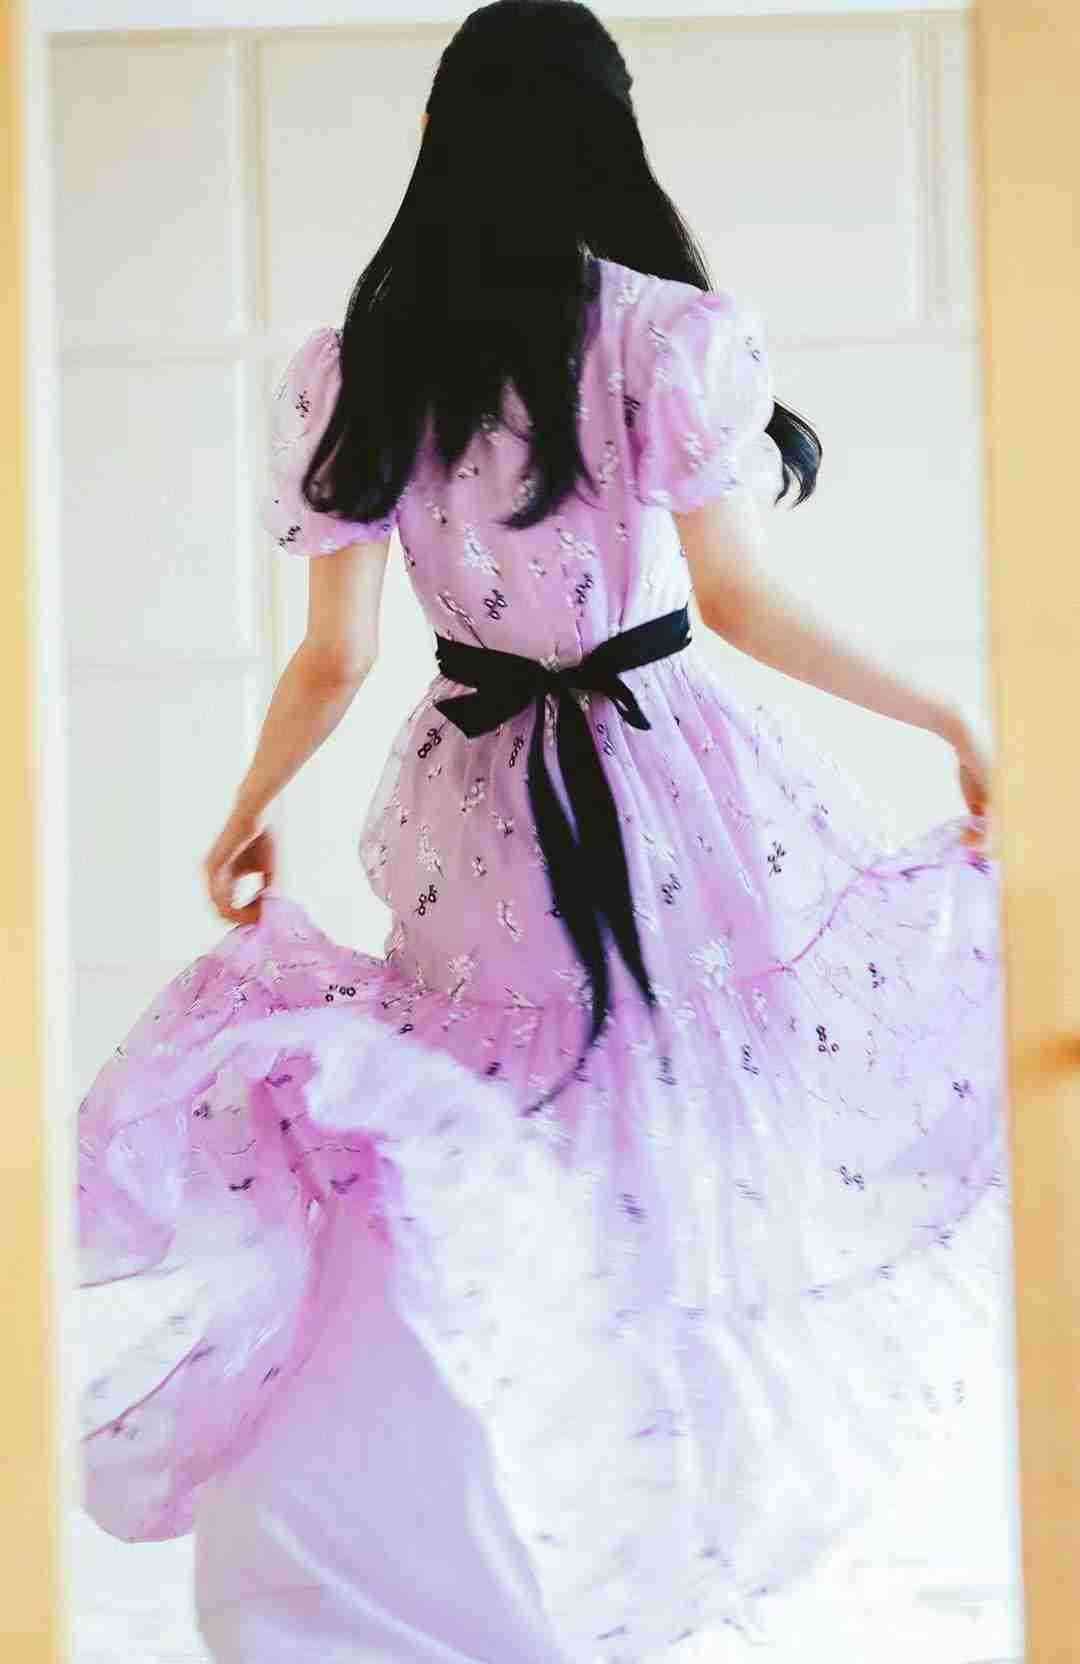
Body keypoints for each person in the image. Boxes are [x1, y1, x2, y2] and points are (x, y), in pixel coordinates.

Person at [75, 3, 1013, 1660]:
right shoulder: (664, 334)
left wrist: (247, 810)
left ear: (444, 135)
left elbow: (337, 655)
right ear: (603, 134)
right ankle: (637, 1528)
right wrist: (943, 715)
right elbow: (738, 602)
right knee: (666, 1143)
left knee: (498, 1142)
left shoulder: (368, 362)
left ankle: (482, 1525)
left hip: (480, 799)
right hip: (665, 779)